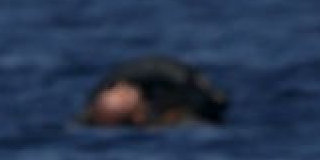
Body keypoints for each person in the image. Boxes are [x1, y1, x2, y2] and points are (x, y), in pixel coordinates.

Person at [78, 56, 228, 128]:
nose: (123, 89)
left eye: (120, 89)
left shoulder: (137, 80)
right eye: (123, 98)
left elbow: (153, 66)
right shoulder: (163, 116)